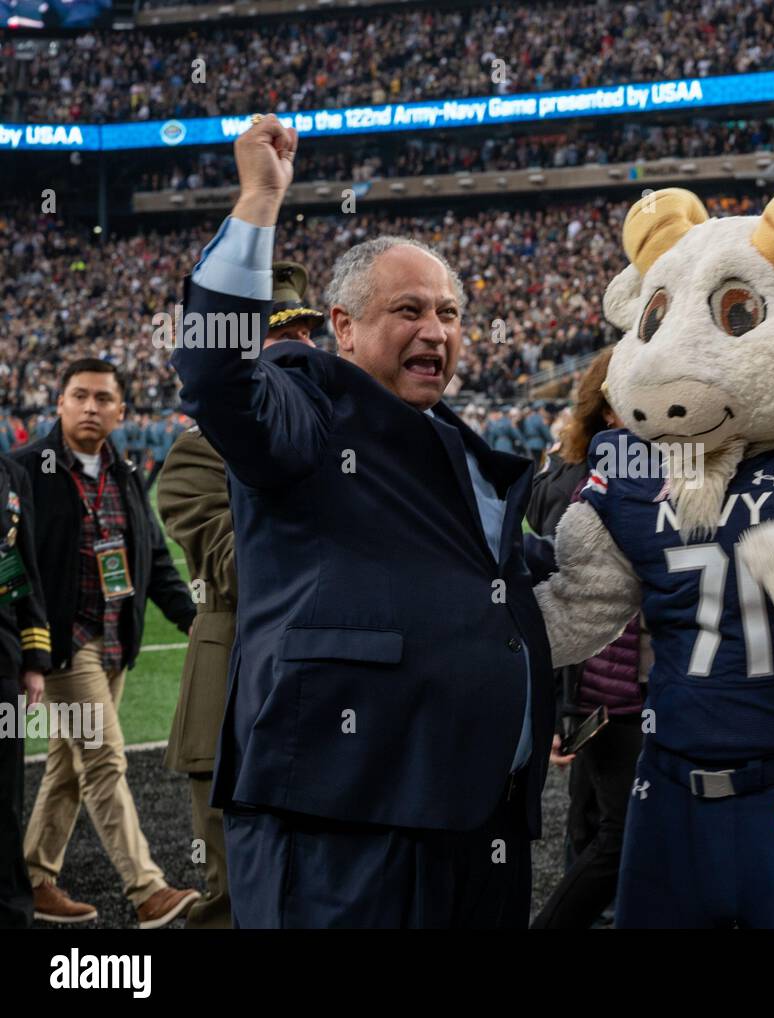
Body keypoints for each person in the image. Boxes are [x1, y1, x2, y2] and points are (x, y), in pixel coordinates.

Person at [171, 114, 555, 928]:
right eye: (408, 310)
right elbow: (213, 378)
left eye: (450, 314)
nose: (436, 332)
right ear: (341, 327)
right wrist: (258, 202)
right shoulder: (309, 403)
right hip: (344, 823)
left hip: (477, 822)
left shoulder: (457, 442)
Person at [155, 261, 327, 930]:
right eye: (281, 338)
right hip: (236, 708)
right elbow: (234, 568)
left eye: (306, 335)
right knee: (237, 905)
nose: (302, 351)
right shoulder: (197, 456)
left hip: (325, 701)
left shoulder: (336, 438)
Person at [11, 358, 199, 928]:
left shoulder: (125, 473)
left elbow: (155, 558)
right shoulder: (25, 469)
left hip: (118, 642)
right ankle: (146, 889)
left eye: (102, 399)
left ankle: (36, 877)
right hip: (67, 646)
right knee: (104, 761)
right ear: (59, 403)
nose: (90, 407)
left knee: (68, 765)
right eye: (79, 396)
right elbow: (12, 563)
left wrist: (191, 619)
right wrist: (34, 648)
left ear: (121, 411)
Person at [529, 349, 646, 930]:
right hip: (612, 678)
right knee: (619, 832)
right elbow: (570, 594)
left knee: (595, 819)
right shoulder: (604, 479)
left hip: (597, 682)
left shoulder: (560, 469)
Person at [0, 453, 52, 929]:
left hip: (1, 656)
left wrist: (35, 658)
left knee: (6, 795)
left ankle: (12, 911)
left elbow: (20, 564)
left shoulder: (12, 473)